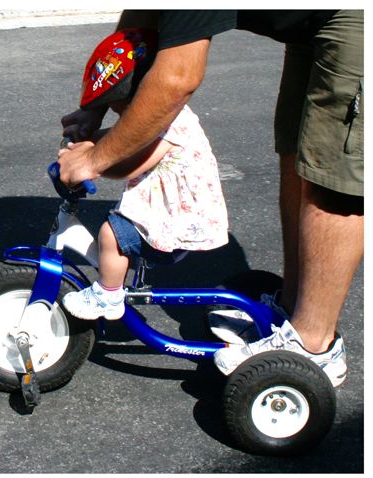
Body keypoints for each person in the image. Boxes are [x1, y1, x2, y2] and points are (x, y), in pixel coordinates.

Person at [58, 11, 362, 387]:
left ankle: (314, 347)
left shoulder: (174, 125)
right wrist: (96, 106)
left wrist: (93, 160)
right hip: (310, 23)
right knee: (299, 154)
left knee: (332, 173)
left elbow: (176, 78)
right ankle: (291, 310)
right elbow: (139, 29)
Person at [61, 29, 229, 321]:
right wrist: (87, 140)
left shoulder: (169, 127)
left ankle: (108, 296)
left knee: (112, 234)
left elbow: (129, 163)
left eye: (119, 107)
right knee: (116, 230)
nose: (119, 115)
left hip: (177, 223)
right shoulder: (158, 115)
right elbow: (121, 136)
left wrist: (90, 164)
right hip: (170, 213)